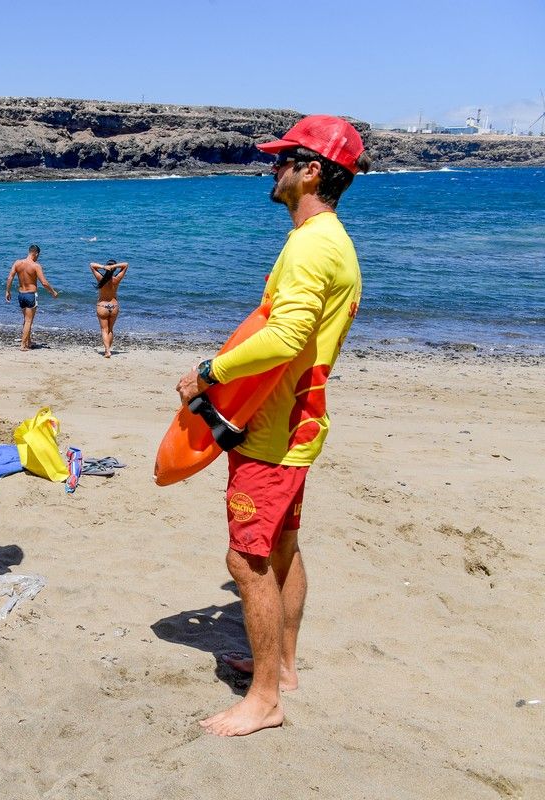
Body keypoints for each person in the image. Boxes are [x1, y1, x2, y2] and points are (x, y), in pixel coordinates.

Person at [175, 115, 372, 736]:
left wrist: (208, 372)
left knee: (246, 560)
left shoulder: (311, 244)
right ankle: (282, 668)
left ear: (312, 171)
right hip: (300, 423)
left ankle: (264, 700)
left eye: (284, 158)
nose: (274, 166)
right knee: (283, 545)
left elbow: (285, 338)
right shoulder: (332, 240)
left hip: (274, 432)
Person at [4, 244, 59, 351]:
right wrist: (53, 292)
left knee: (26, 320)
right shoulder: (36, 266)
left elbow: (10, 277)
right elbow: (44, 282)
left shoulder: (17, 263)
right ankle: (23, 345)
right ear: (36, 253)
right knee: (29, 321)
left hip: (21, 295)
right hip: (30, 295)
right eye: (38, 255)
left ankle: (28, 342)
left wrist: (7, 291)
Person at [90, 258, 128, 357]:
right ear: (114, 269)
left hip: (102, 306)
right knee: (110, 329)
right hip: (114, 306)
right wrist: (113, 266)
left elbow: (92, 264)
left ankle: (107, 351)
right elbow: (125, 264)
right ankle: (108, 349)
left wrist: (103, 267)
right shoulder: (116, 279)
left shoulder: (100, 278)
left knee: (104, 329)